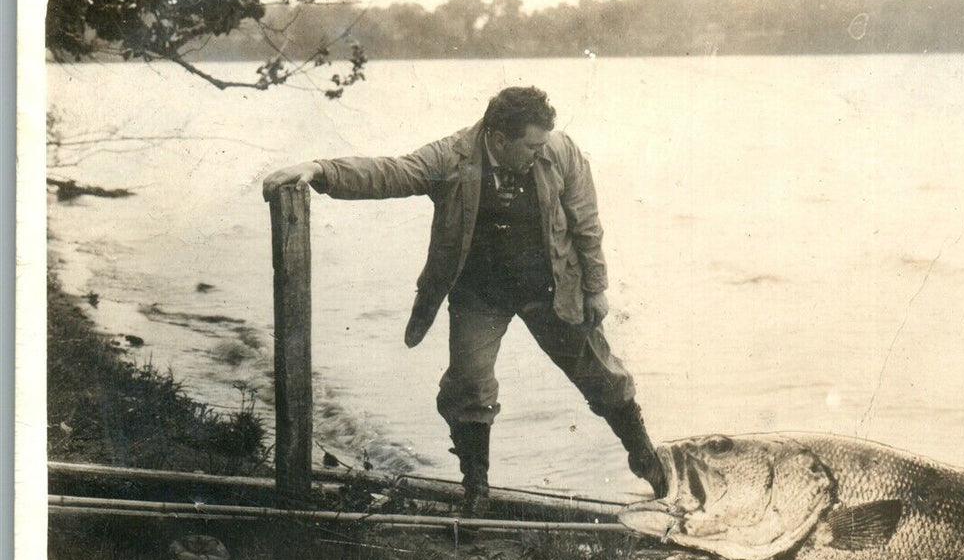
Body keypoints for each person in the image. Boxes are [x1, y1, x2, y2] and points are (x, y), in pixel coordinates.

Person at [262, 86, 666, 515]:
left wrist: (596, 288)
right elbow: (390, 173)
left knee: (602, 375)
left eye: (542, 143)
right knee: (470, 385)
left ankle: (648, 463)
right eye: (530, 146)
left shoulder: (559, 150)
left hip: (550, 289)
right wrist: (320, 170)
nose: (538, 153)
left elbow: (587, 224)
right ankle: (476, 490)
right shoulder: (452, 157)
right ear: (497, 138)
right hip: (480, 294)